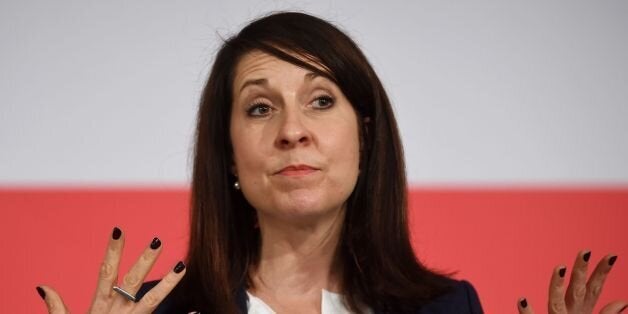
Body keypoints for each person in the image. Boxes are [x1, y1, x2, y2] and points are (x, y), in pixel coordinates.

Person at [36, 12, 625, 314]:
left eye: (321, 101)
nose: (293, 132)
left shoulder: (446, 311)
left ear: (366, 138)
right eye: (261, 108)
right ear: (229, 153)